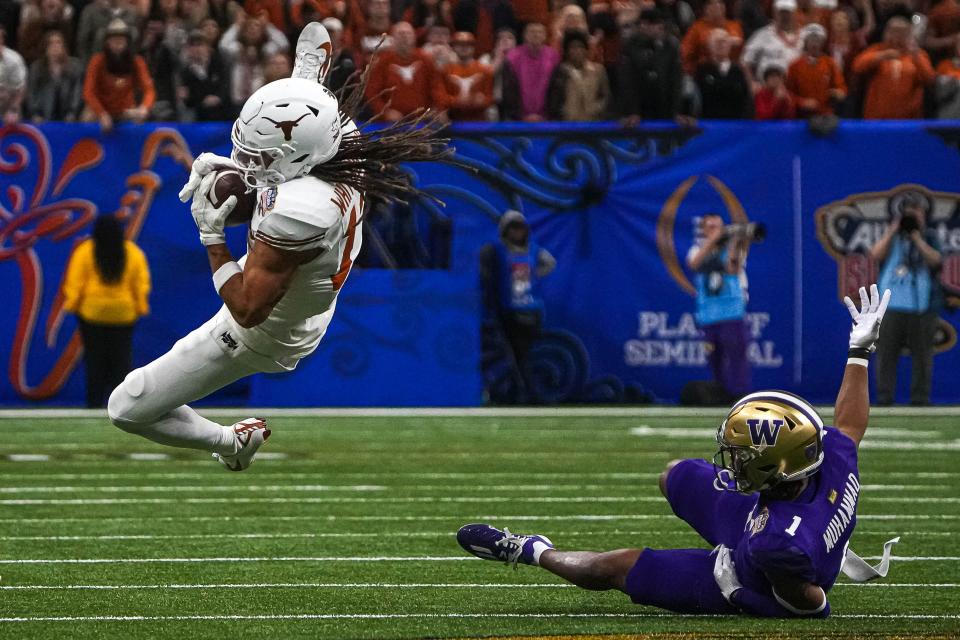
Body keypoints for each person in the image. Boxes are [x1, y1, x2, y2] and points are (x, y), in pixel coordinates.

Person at [107, 24, 450, 472]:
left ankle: (232, 442)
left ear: (299, 161)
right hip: (302, 291)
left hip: (265, 333)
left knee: (127, 406)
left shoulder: (301, 210)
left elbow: (249, 307)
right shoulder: (337, 138)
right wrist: (241, 154)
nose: (250, 163)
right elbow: (300, 116)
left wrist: (211, 238)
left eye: (259, 158)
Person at [459, 284, 899, 618]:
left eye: (745, 456)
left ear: (776, 466)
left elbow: (809, 603)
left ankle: (531, 550)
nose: (734, 461)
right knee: (676, 474)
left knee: (613, 567)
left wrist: (733, 588)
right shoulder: (829, 459)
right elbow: (849, 424)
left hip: (751, 572)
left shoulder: (778, 545)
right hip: (771, 522)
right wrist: (860, 350)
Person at [63, 215, 152, 408]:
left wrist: (72, 305)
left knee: (94, 360)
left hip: (91, 313)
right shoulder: (133, 252)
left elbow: (75, 282)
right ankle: (122, 406)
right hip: (123, 313)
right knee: (121, 360)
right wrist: (140, 306)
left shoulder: (85, 251)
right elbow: (141, 284)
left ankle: (94, 404)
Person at [869, 199, 943, 405]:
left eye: (916, 214)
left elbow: (936, 260)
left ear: (924, 216)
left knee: (923, 356)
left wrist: (917, 237)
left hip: (922, 307)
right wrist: (893, 230)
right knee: (886, 355)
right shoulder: (892, 238)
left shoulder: (930, 237)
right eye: (908, 215)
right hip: (890, 306)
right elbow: (875, 254)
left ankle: (920, 398)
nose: (912, 219)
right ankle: (884, 397)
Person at [479, 210, 556, 372]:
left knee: (527, 354)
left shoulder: (534, 250)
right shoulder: (497, 250)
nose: (517, 232)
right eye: (513, 228)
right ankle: (517, 388)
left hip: (532, 309)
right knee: (512, 354)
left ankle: (525, 388)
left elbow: (550, 262)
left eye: (520, 228)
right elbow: (484, 268)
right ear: (505, 230)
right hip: (508, 311)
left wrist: (535, 273)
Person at [686, 213, 752, 400]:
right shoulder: (696, 249)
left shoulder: (729, 250)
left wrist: (735, 242)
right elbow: (694, 263)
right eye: (711, 226)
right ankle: (720, 393)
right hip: (708, 315)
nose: (715, 230)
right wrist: (713, 241)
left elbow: (733, 268)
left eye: (718, 227)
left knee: (737, 357)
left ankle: (739, 395)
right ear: (704, 230)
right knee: (714, 358)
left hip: (731, 312)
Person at [81, 18, 155, 132]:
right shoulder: (97, 61)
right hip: (101, 108)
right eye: (114, 41)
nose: (117, 45)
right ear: (107, 42)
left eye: (121, 41)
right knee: (86, 119)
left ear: (127, 42)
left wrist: (144, 107)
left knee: (140, 123)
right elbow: (88, 92)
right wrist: (101, 113)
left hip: (126, 110)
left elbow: (149, 90)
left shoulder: (137, 61)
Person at [853, 17, 934, 119]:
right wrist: (881, 56)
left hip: (909, 120)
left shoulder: (917, 54)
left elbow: (929, 78)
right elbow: (857, 66)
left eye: (902, 32)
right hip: (877, 118)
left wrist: (916, 56)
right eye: (893, 31)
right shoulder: (876, 49)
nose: (897, 36)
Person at [365, 21, 447, 122]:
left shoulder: (426, 60)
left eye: (408, 34)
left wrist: (439, 108)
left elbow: (437, 87)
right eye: (400, 34)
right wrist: (385, 112)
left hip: (422, 120)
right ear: (392, 39)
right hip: (391, 123)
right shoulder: (382, 62)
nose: (405, 37)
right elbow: (372, 92)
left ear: (414, 38)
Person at [618, 8, 683, 124]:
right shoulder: (630, 47)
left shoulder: (670, 47)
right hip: (639, 111)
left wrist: (676, 112)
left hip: (665, 109)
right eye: (653, 24)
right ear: (643, 25)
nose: (658, 28)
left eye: (659, 24)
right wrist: (633, 111)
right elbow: (628, 81)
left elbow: (676, 80)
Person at [500, 21, 560, 121]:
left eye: (539, 32)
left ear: (545, 36)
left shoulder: (554, 56)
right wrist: (519, 115)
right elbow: (508, 90)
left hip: (548, 118)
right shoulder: (512, 56)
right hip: (518, 118)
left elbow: (556, 89)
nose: (536, 35)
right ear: (525, 36)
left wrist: (549, 115)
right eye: (532, 32)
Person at [547, 29, 610, 121]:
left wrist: (596, 109)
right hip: (567, 124)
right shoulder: (560, 72)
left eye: (580, 47)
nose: (577, 51)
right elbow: (554, 100)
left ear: (586, 50)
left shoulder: (598, 70)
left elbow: (606, 97)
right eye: (572, 47)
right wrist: (563, 111)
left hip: (593, 123)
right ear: (567, 51)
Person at [786, 23, 846, 117]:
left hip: (826, 115)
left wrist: (838, 93)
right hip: (801, 116)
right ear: (805, 42)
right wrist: (802, 102)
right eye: (811, 40)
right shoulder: (794, 66)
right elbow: (788, 94)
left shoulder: (830, 63)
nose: (814, 43)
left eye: (818, 40)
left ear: (822, 42)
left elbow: (841, 87)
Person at [26, 30, 84, 122]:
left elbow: (77, 93)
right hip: (43, 115)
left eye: (58, 43)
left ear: (64, 47)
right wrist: (35, 113)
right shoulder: (36, 68)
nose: (55, 46)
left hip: (68, 115)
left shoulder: (76, 66)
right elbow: (31, 93)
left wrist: (73, 113)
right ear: (45, 47)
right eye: (51, 43)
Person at [741, 0, 802, 88]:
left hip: (795, 90)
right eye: (781, 12)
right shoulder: (762, 34)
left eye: (788, 12)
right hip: (767, 90)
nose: (785, 16)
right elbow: (745, 61)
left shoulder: (804, 35)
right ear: (775, 13)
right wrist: (752, 83)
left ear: (794, 13)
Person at [695, 28, 752, 119]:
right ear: (709, 46)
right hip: (709, 123)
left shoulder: (738, 70)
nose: (720, 45)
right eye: (716, 42)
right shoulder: (702, 70)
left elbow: (746, 99)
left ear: (730, 45)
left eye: (724, 41)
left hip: (735, 124)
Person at [681, 0, 743, 77]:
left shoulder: (735, 26)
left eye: (720, 2)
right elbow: (685, 55)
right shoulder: (696, 29)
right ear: (705, 8)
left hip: (732, 72)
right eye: (711, 3)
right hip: (704, 74)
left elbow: (743, 52)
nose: (717, 5)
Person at [442, 31, 494, 121]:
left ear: (474, 47)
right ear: (453, 47)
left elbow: (490, 97)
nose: (464, 48)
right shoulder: (446, 70)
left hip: (479, 122)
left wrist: (482, 100)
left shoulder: (485, 70)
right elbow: (441, 97)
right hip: (453, 121)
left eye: (468, 45)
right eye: (460, 44)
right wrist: (456, 100)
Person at [0, 25, 27, 124]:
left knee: (12, 119)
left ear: (2, 40)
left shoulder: (14, 60)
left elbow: (21, 89)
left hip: (8, 107)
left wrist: (13, 109)